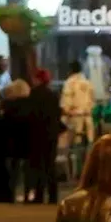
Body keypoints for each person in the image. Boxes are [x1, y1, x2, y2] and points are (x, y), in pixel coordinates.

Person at [26, 69, 64, 205]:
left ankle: (39, 195)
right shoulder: (53, 95)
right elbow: (58, 114)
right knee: (50, 165)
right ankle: (53, 196)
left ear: (38, 79)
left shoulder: (34, 94)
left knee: (38, 166)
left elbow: (31, 115)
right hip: (51, 135)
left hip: (37, 134)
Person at [61, 61, 96, 145]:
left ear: (70, 70)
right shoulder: (88, 82)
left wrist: (65, 111)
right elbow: (92, 100)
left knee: (76, 145)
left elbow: (66, 101)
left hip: (74, 118)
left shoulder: (69, 83)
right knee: (89, 145)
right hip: (88, 118)